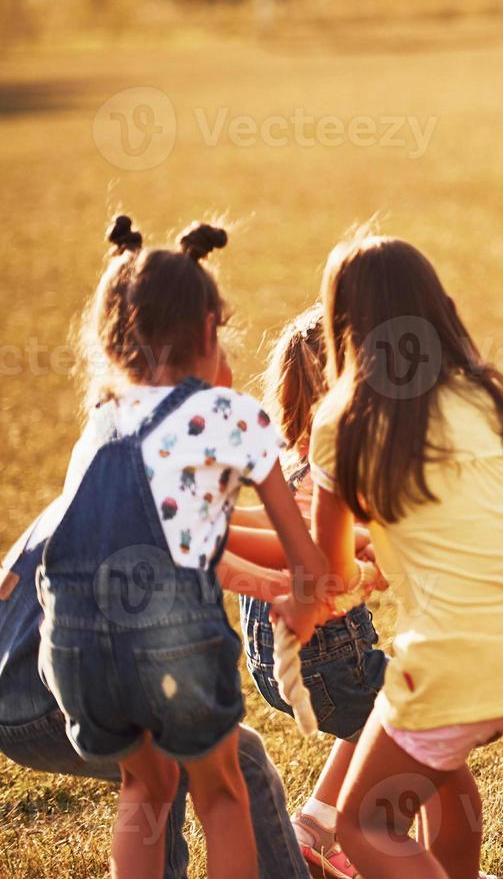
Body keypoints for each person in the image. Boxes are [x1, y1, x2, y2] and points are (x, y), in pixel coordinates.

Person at [33, 216, 328, 878]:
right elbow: (303, 554)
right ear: (207, 328)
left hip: (74, 643)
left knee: (146, 789)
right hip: (172, 642)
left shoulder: (100, 423)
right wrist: (302, 607)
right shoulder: (231, 416)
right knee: (220, 793)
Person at [312, 233, 503, 879]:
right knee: (438, 759)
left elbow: (327, 577)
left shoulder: (341, 423)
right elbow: (458, 519)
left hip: (460, 656)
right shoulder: (483, 396)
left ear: (342, 326)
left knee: (364, 823)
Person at [0, 503, 311, 879]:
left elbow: (244, 523)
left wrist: (324, 533)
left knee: (162, 761)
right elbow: (218, 550)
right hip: (34, 696)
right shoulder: (159, 498)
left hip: (24, 686)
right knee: (239, 759)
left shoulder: (116, 478)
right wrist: (306, 576)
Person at [233, 304, 387, 879]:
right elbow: (341, 570)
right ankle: (414, 855)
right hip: (327, 660)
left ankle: (315, 829)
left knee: (376, 710)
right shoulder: (342, 464)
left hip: (270, 662)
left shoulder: (278, 457)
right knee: (422, 715)